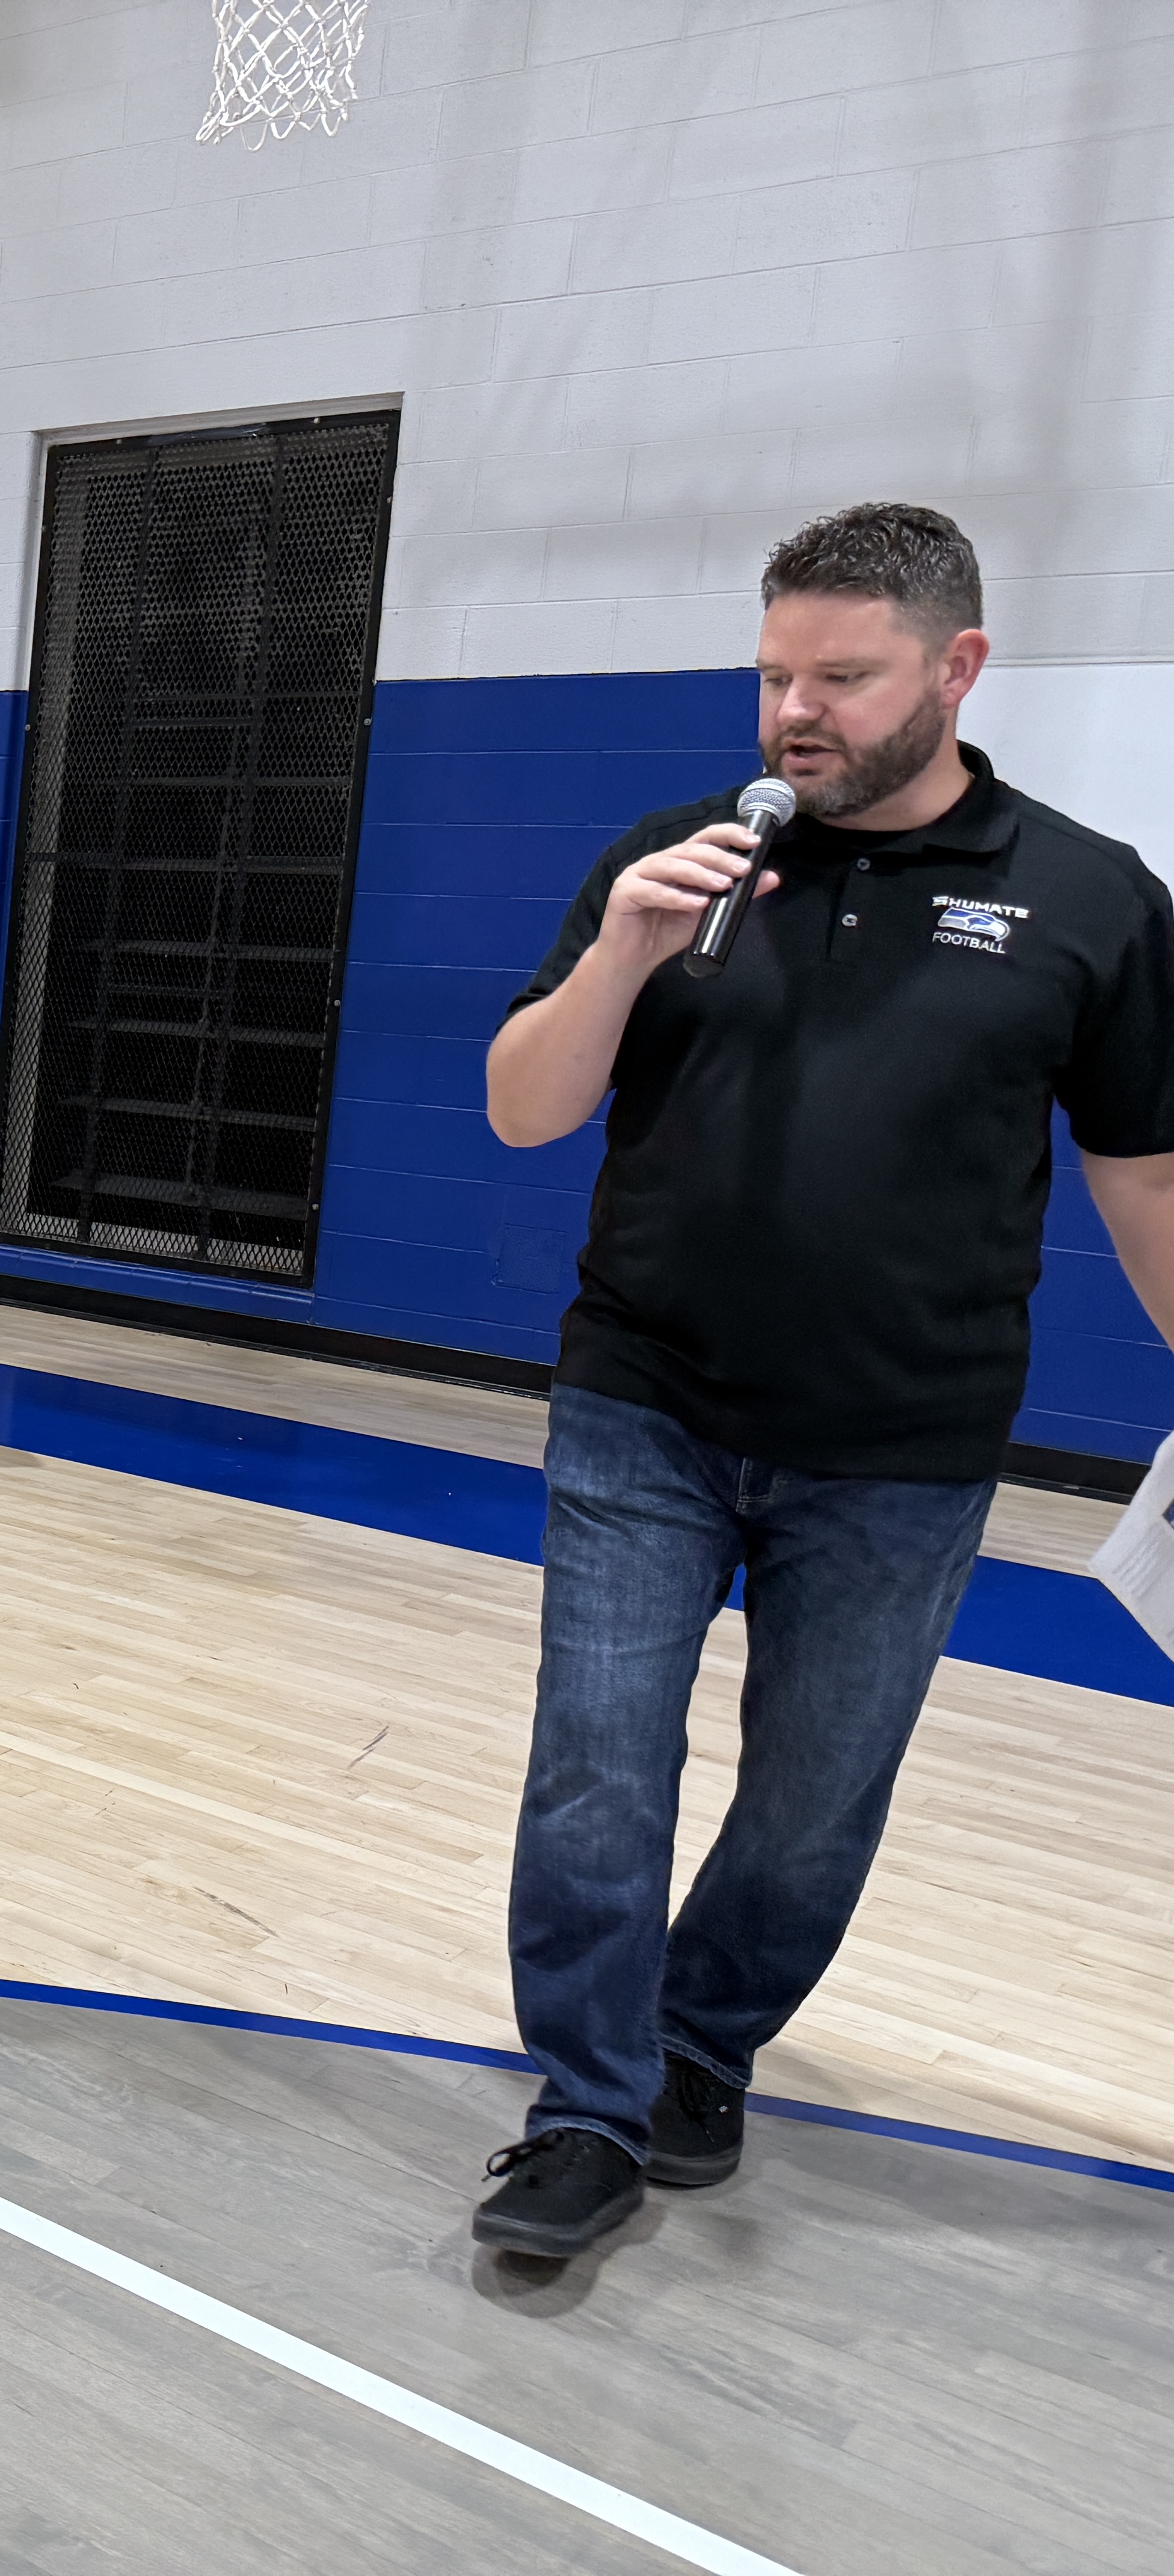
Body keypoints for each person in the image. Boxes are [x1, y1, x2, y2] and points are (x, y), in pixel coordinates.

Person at [472, 502, 1174, 2258]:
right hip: (637, 1406)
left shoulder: (1087, 900)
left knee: (806, 1808)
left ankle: (702, 2043)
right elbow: (520, 1106)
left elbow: (1145, 1176)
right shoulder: (671, 862)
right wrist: (622, 947)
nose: (794, 711)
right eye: (772, 671)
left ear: (953, 669)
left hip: (899, 1446)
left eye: (840, 677)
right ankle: (583, 2107)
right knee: (591, 1776)